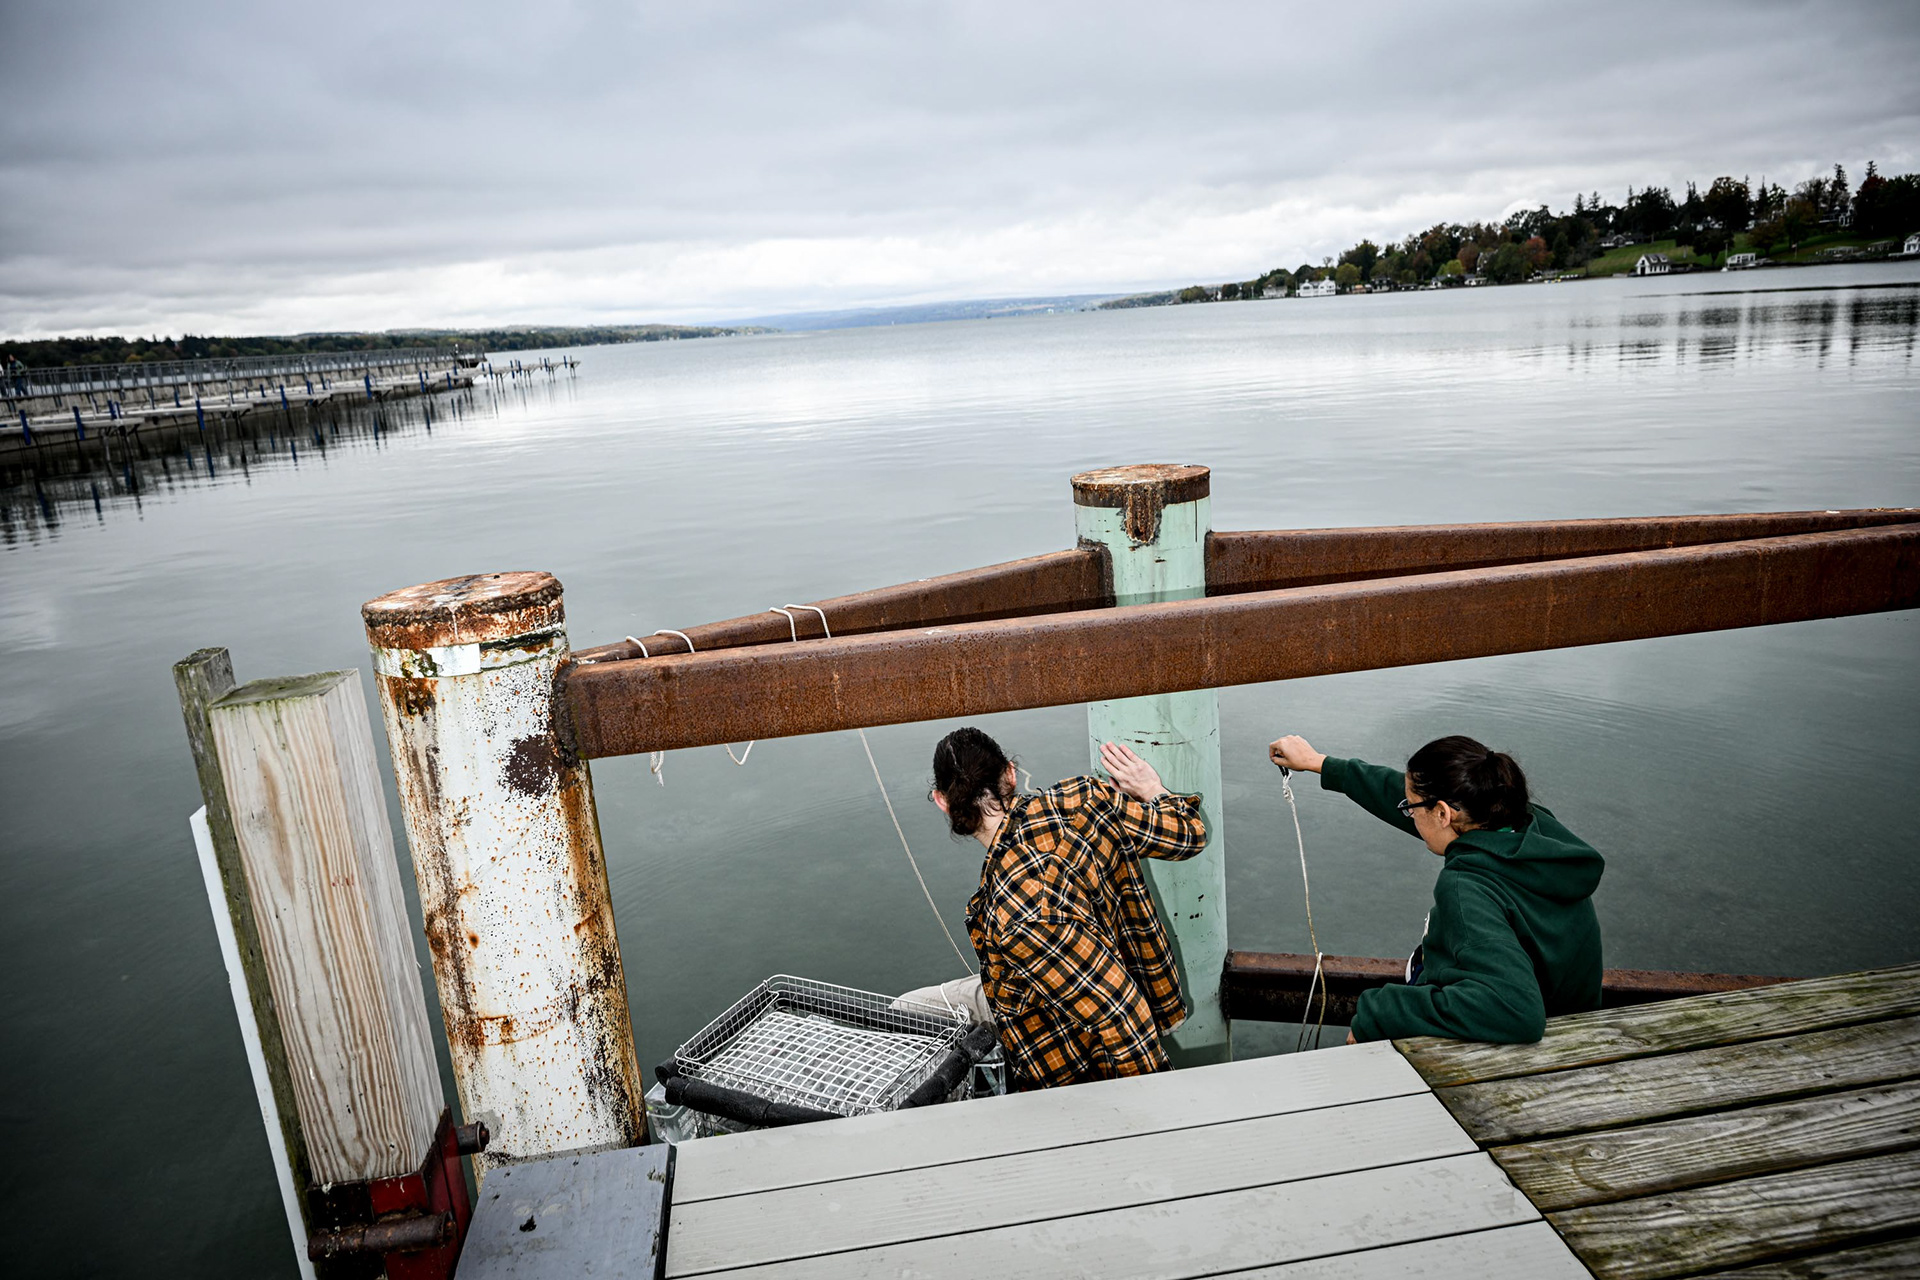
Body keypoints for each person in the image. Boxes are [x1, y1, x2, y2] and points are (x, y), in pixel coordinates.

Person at [1268, 733, 1603, 1044]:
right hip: (1574, 1021)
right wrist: (1320, 763)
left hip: (1530, 1054)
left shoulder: (1468, 887)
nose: (1407, 814)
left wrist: (1380, 1011)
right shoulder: (1531, 826)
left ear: (1443, 813)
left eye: (1411, 807)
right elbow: (1400, 797)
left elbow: (1515, 1011)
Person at [928, 726, 1208, 1089]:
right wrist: (1152, 789)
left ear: (942, 802)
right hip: (1099, 979)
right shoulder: (1085, 798)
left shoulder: (1021, 914)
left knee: (902, 1014)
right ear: (1010, 774)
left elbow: (1123, 1014)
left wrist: (1154, 1110)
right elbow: (1189, 835)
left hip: (1066, 1052)